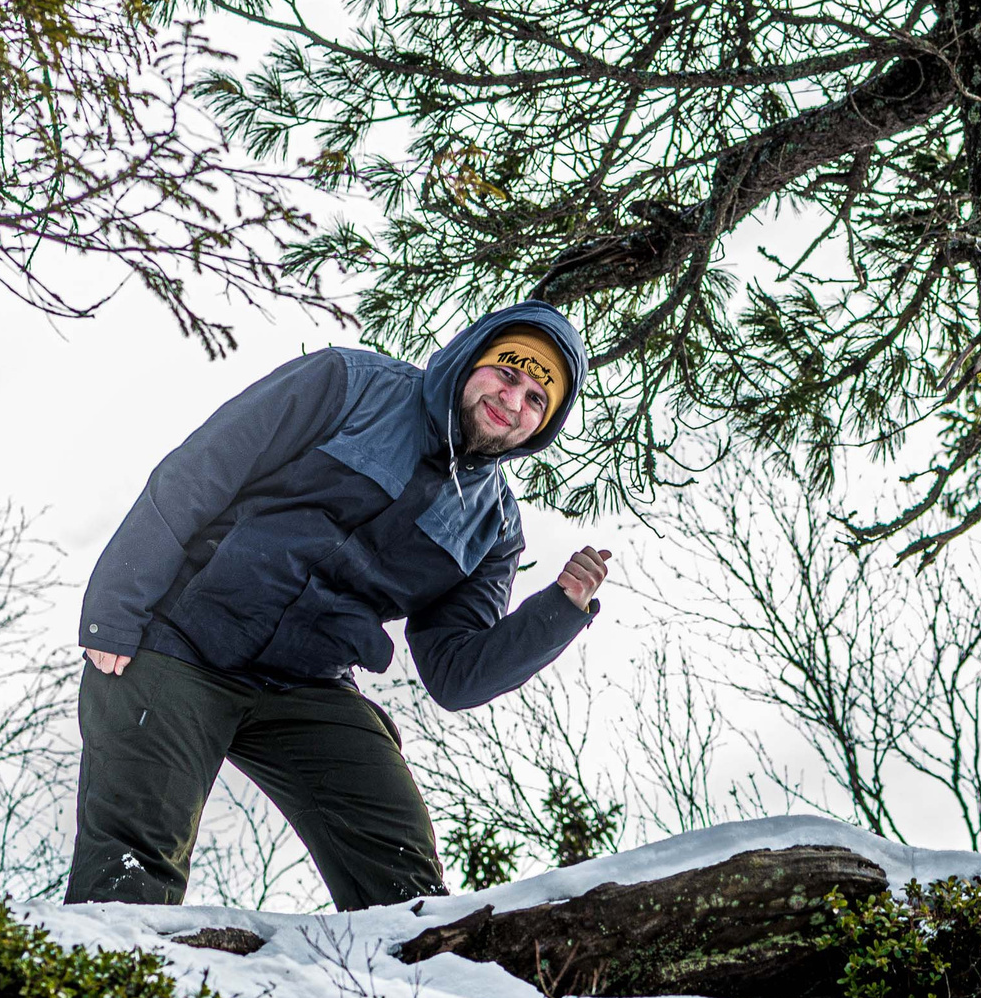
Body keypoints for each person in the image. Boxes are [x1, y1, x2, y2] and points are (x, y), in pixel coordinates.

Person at [67, 301, 612, 909]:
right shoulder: (349, 385)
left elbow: (456, 674)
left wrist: (559, 610)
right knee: (130, 874)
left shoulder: (494, 527)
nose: (514, 401)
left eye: (538, 398)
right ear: (469, 361)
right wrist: (114, 611)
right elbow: (199, 473)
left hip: (307, 684)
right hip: (181, 642)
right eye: (506, 373)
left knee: (407, 897)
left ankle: (412, 995)